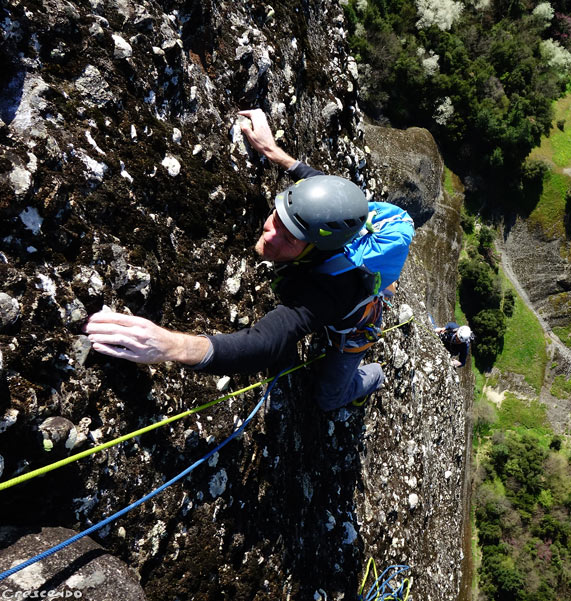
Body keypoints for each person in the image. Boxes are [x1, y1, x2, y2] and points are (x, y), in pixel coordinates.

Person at [84, 109, 389, 410]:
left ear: (317, 247)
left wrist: (172, 346)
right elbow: (315, 181)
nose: (269, 235)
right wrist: (272, 151)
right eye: (277, 219)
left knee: (327, 398)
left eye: (289, 238)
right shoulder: (326, 215)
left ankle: (373, 378)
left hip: (358, 323)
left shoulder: (329, 292)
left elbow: (267, 342)